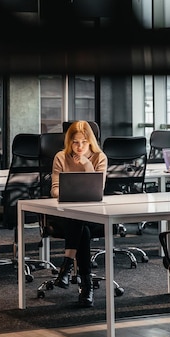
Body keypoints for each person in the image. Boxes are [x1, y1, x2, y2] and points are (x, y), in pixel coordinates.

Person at [50, 120, 107, 308]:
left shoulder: (100, 158)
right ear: (69, 142)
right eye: (75, 142)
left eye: (84, 142)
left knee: (82, 223)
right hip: (64, 216)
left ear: (90, 141)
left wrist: (86, 164)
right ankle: (86, 285)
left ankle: (66, 267)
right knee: (80, 223)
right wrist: (70, 194)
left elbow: (98, 189)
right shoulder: (61, 157)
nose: (79, 146)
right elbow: (55, 190)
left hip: (94, 217)